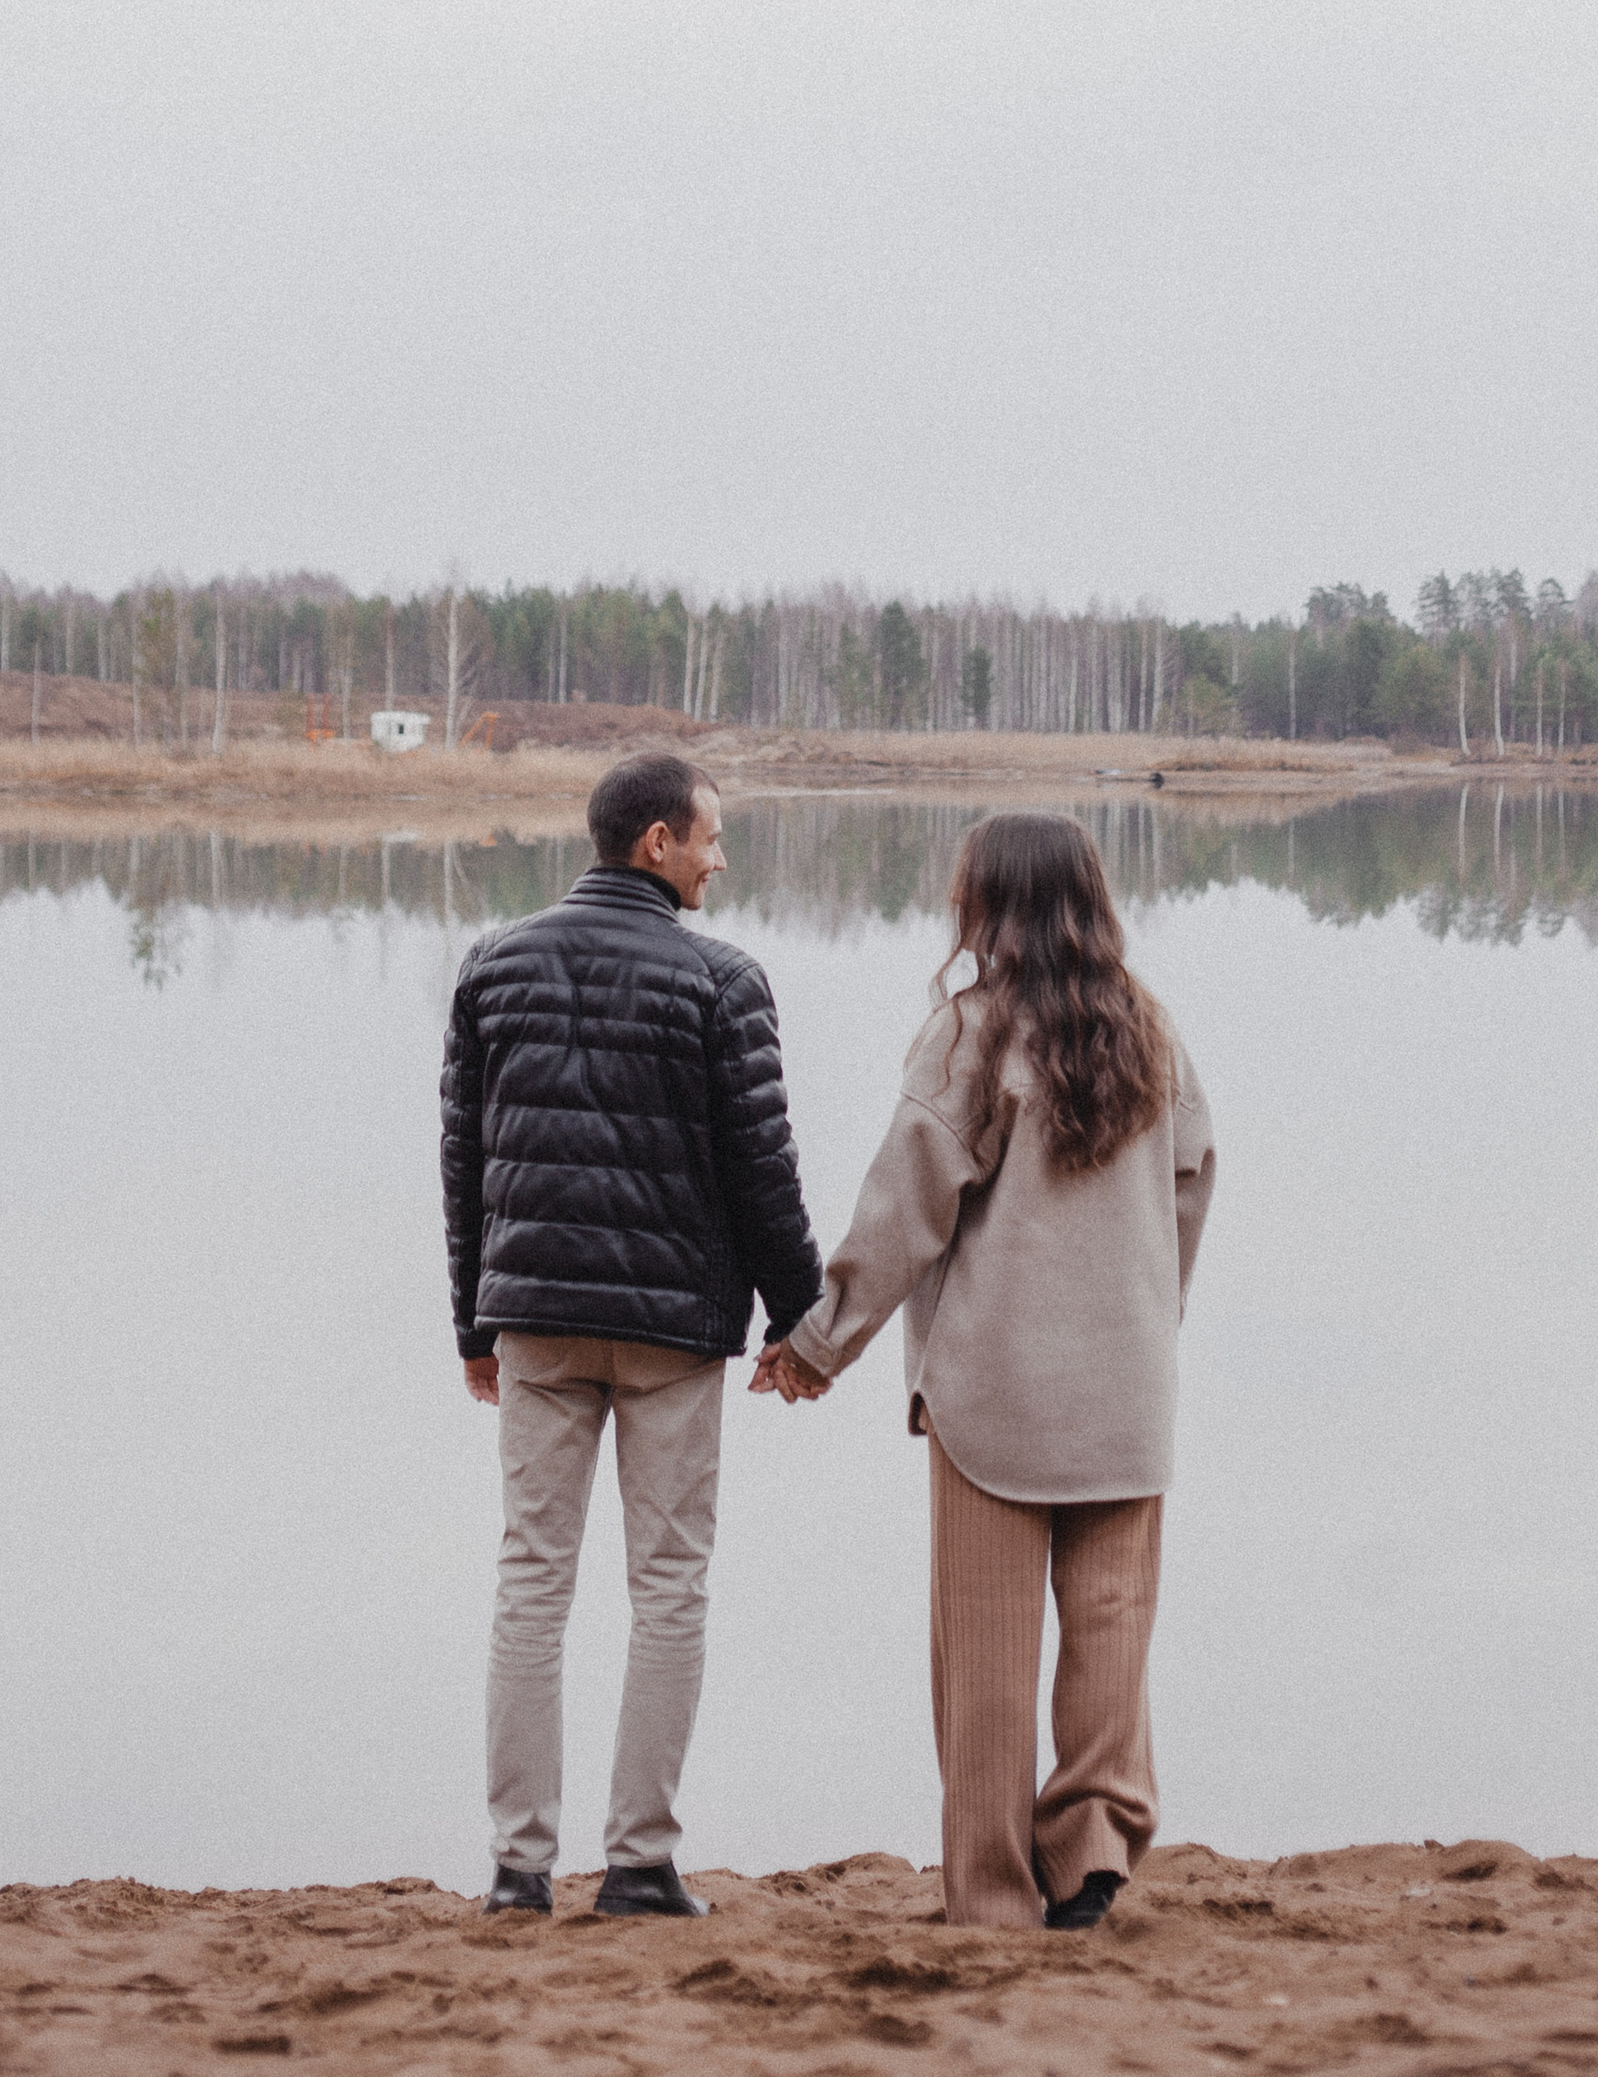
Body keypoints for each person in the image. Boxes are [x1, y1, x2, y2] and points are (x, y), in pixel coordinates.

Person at [756, 811, 1214, 1932]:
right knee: (1110, 1631)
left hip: (993, 1394)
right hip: (1125, 1390)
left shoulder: (970, 1030)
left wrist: (820, 1342)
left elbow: (906, 1202)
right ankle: (1095, 1843)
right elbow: (1192, 1182)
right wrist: (1148, 1314)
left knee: (987, 1662)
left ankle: (998, 1897)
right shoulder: (1150, 1029)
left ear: (985, 904)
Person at [442, 747, 821, 1919]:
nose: (721, 857)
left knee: (530, 1583)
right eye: (709, 836)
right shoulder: (722, 982)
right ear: (655, 842)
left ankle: (517, 1868)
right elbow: (763, 1171)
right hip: (668, 1331)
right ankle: (642, 1862)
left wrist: (473, 1322)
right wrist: (801, 1322)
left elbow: (465, 1164)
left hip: (536, 1321)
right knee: (668, 1585)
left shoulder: (493, 965)